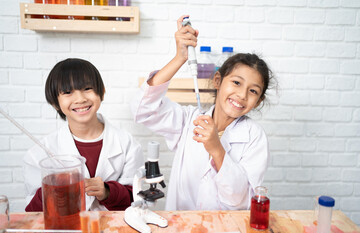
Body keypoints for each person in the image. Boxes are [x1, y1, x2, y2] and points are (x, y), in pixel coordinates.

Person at [131, 15, 274, 211]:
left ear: (259, 101)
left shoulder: (254, 138)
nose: (241, 95)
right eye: (236, 82)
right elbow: (143, 110)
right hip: (182, 227)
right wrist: (180, 58)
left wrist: (217, 149)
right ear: (217, 81)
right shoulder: (188, 121)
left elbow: (240, 200)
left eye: (253, 91)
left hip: (225, 231)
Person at [24, 58, 144, 211]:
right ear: (55, 103)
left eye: (87, 88)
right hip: (66, 232)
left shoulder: (127, 144)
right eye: (67, 92)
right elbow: (32, 213)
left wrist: (108, 192)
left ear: (102, 92)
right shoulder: (38, 154)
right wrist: (51, 189)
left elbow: (138, 200)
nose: (80, 99)